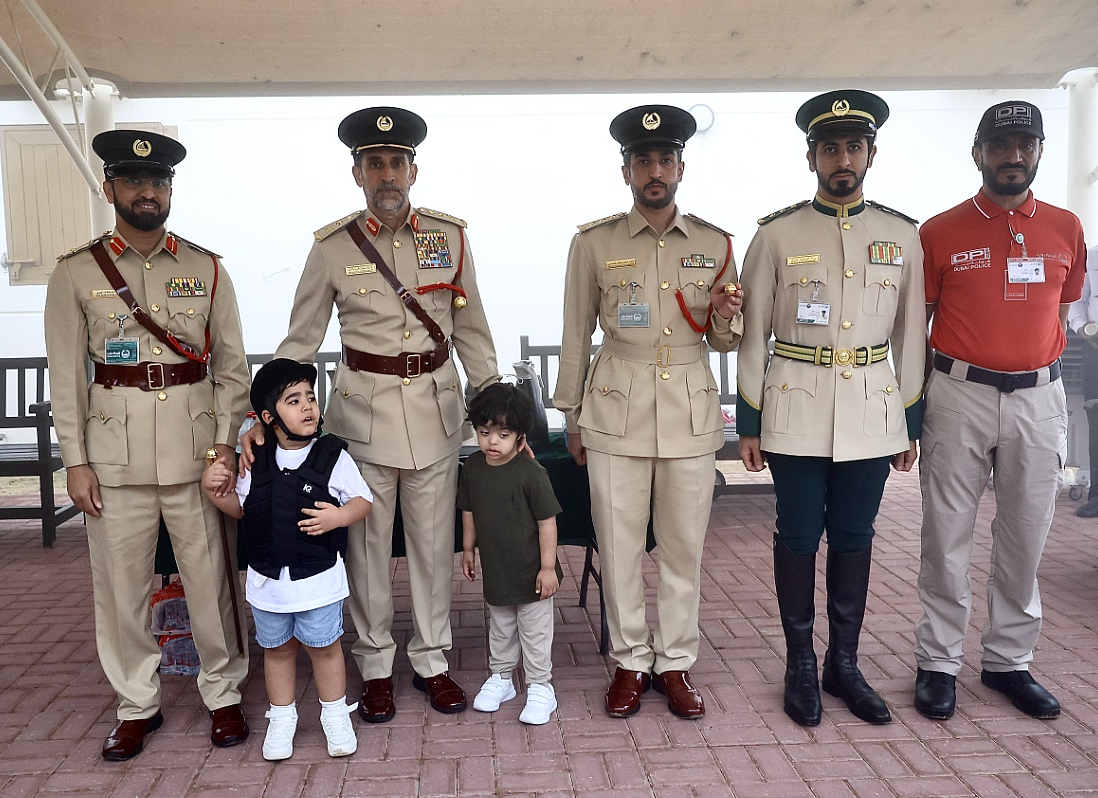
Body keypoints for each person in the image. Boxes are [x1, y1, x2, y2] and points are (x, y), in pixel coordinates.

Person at [241, 107, 498, 721]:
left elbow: (472, 329)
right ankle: (377, 665)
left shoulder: (450, 238)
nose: (388, 174)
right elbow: (300, 340)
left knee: (432, 548)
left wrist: (493, 402)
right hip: (362, 422)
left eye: (397, 163)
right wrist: (260, 415)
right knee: (366, 551)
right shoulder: (333, 248)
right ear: (357, 173)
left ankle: (431, 661)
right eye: (375, 164)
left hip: (435, 413)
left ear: (414, 170)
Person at [43, 130, 251, 760]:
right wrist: (75, 462)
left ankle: (223, 694)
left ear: (169, 191)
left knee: (211, 583)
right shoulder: (75, 271)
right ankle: (137, 704)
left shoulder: (205, 267)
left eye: (158, 182)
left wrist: (224, 447)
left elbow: (232, 369)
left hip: (196, 455)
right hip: (114, 459)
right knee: (120, 590)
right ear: (110, 189)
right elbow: (66, 378)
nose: (147, 192)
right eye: (134, 181)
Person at [736, 90, 925, 727]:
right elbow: (753, 336)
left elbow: (911, 337)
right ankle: (800, 665)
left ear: (871, 154)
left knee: (854, 536)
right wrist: (750, 421)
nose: (842, 159)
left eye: (853, 147)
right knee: (797, 536)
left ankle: (843, 664)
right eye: (829, 148)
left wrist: (908, 422)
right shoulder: (776, 234)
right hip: (795, 410)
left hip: (872, 412)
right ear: (811, 157)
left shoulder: (901, 235)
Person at [554, 104, 743, 720]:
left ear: (681, 168)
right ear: (626, 170)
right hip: (615, 412)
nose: (654, 171)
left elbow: (726, 340)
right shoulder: (594, 242)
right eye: (643, 161)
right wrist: (571, 416)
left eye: (665, 160)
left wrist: (725, 314)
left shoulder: (715, 243)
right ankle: (631, 660)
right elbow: (576, 333)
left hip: (688, 412)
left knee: (684, 549)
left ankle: (676, 662)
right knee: (619, 547)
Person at [915, 100, 1087, 721]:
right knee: (946, 534)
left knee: (1026, 532)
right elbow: (918, 322)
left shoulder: (1066, 228)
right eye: (999, 145)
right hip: (958, 393)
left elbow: (1059, 309)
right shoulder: (939, 232)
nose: (1013, 156)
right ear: (978, 154)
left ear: (1039, 151)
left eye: (1024, 145)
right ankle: (938, 662)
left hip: (1039, 399)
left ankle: (1009, 661)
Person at [202, 359, 372, 759]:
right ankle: (281, 718)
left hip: (318, 581)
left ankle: (335, 715)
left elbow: (363, 500)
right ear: (268, 417)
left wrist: (338, 517)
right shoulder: (254, 460)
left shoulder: (332, 456)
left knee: (325, 649)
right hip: (268, 586)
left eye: (310, 397)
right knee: (277, 652)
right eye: (293, 401)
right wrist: (211, 490)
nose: (308, 406)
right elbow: (242, 509)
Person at [459, 383, 563, 725]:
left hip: (533, 573)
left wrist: (548, 568)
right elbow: (469, 510)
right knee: (501, 627)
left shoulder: (532, 474)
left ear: (520, 437)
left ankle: (540, 685)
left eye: (503, 435)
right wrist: (469, 549)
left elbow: (547, 523)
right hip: (497, 568)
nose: (492, 441)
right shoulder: (473, 467)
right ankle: (502, 678)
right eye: (484, 432)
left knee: (535, 632)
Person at [1067, 245, 1098, 517]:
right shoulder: (1093, 255)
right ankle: (1096, 497)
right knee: (1096, 423)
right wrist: (1082, 328)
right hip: (1095, 348)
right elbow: (1078, 299)